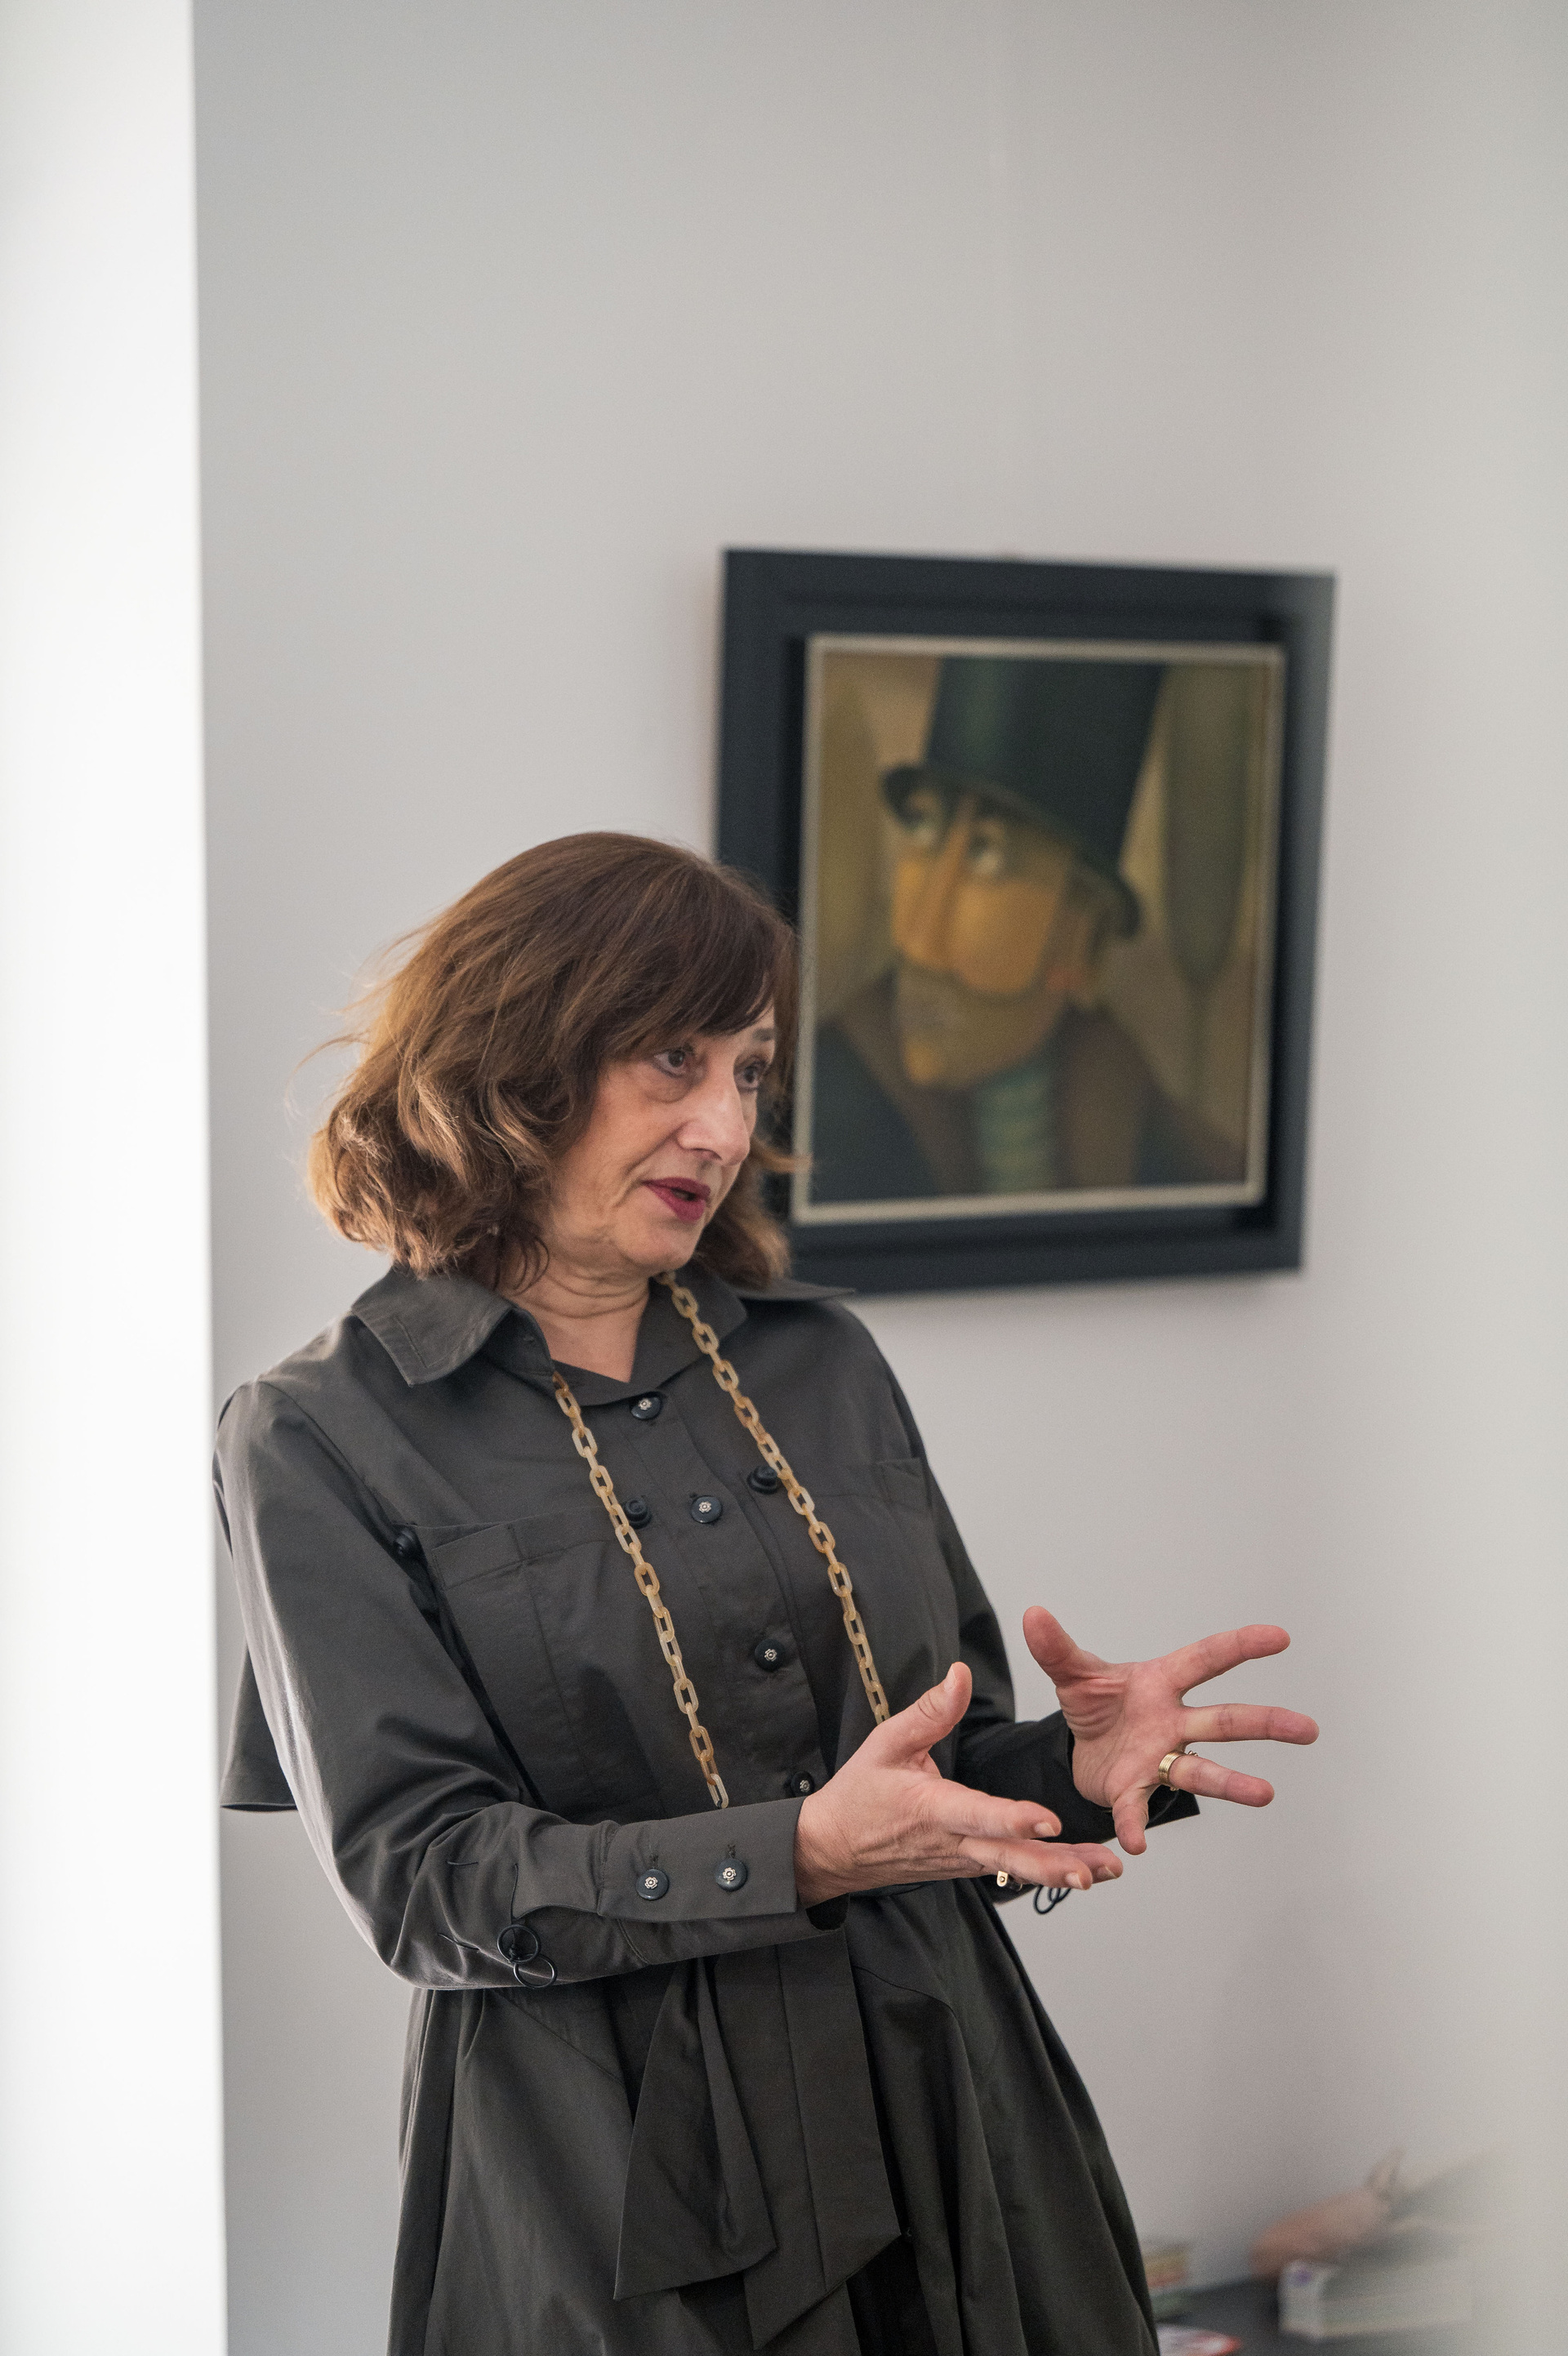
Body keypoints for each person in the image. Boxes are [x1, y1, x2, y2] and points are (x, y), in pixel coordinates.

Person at [217, 832, 1316, 2356]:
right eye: (674, 1060)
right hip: (613, 2182)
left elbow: (926, 1772)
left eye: (750, 1071)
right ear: (518, 1055)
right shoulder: (320, 1435)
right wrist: (795, 1856)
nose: (726, 1125)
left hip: (949, 2103)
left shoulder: (821, 1361)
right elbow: (426, 1879)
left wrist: (1070, 1766)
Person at [811, 654, 1246, 1205]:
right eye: (922, 827)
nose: (917, 942)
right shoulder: (824, 1114)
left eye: (987, 856)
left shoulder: (1160, 1143)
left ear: (1085, 943)